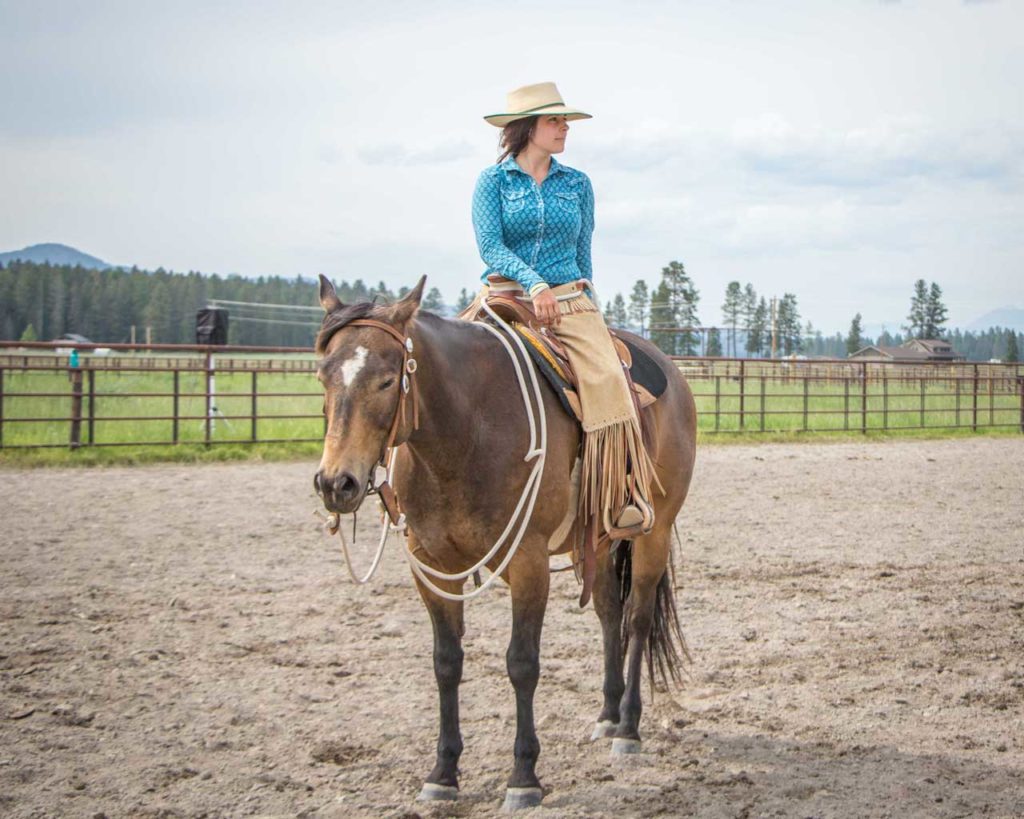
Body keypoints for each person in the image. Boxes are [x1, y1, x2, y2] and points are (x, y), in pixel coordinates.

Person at [470, 81, 656, 541]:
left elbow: (583, 248)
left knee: (610, 379)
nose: (564, 127)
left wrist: (587, 305)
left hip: (569, 297)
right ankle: (401, 482)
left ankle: (621, 492)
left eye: (564, 120)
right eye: (554, 119)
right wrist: (533, 284)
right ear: (526, 127)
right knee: (435, 365)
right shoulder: (491, 182)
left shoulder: (577, 183)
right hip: (504, 293)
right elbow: (491, 246)